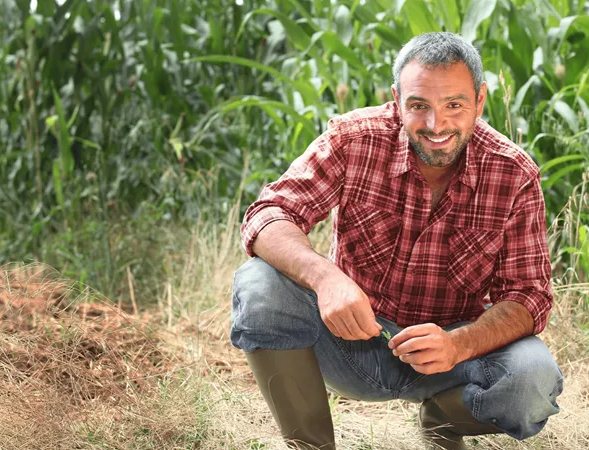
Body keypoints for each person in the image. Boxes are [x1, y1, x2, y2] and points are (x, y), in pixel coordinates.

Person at [229, 31, 563, 450]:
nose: (435, 125)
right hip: (349, 341)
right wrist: (326, 279)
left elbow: (529, 296)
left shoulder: (514, 173)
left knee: (533, 382)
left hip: (452, 357)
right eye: (418, 105)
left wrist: (458, 344)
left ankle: (441, 422)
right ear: (396, 98)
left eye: (454, 105)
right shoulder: (353, 138)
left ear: (480, 100)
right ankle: (311, 447)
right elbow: (268, 214)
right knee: (258, 282)